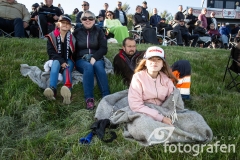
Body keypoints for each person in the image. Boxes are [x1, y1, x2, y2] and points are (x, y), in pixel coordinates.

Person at [114, 37, 191, 99]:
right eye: (129, 46)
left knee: (183, 64)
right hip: (143, 82)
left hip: (160, 75)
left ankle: (183, 96)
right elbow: (119, 75)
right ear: (123, 47)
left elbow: (159, 60)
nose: (132, 48)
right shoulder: (118, 59)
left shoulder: (143, 54)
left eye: (134, 46)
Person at [128, 46, 178, 125]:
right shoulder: (138, 77)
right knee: (144, 124)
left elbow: (173, 100)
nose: (155, 62)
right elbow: (136, 105)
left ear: (163, 64)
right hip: (144, 110)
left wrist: (166, 113)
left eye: (158, 59)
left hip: (163, 109)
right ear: (145, 63)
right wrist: (161, 118)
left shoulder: (166, 80)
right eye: (151, 59)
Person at [73, 11, 110, 110]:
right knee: (88, 67)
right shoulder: (76, 32)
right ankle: (89, 98)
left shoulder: (99, 31)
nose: (87, 20)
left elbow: (103, 48)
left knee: (98, 66)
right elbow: (72, 49)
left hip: (96, 57)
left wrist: (94, 57)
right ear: (81, 20)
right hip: (81, 59)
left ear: (94, 20)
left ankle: (106, 97)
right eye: (84, 19)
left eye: (90, 18)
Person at [43, 14, 75, 105]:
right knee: (56, 62)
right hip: (56, 59)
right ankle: (53, 89)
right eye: (63, 22)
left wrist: (65, 62)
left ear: (70, 27)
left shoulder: (72, 38)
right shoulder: (51, 36)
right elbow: (51, 52)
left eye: (68, 23)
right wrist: (62, 62)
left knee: (68, 65)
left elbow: (74, 53)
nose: (65, 25)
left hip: (69, 59)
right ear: (58, 24)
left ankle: (67, 90)